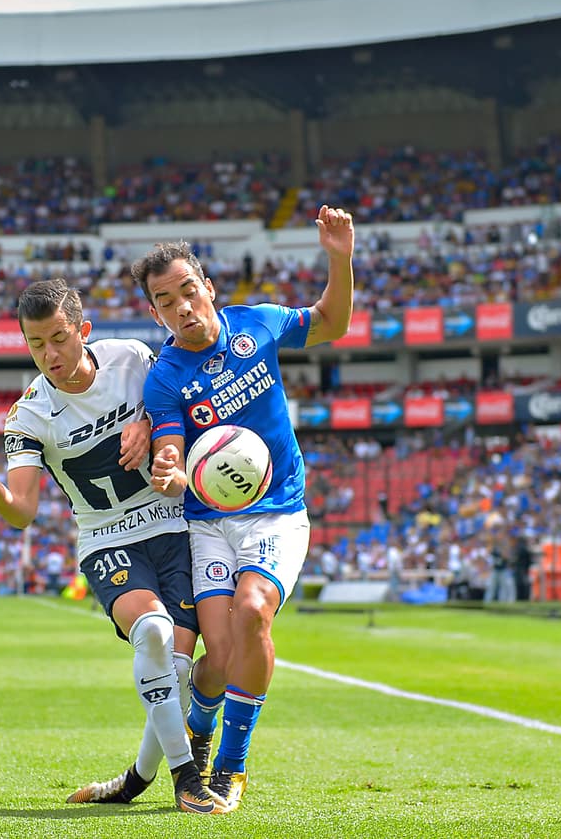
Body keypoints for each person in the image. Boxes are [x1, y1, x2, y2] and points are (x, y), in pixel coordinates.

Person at [0, 279, 224, 815]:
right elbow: (23, 512)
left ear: (83, 331)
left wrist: (149, 422)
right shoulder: (28, 415)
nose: (50, 355)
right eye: (36, 344)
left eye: (59, 338)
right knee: (152, 630)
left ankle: (134, 781)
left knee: (177, 669)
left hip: (174, 522)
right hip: (108, 537)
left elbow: (173, 403)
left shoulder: (133, 358)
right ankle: (187, 778)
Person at [130, 204, 355, 812]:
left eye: (188, 290)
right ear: (154, 312)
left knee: (254, 611)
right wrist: (169, 467)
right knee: (219, 660)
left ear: (208, 288)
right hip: (208, 526)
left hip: (277, 512)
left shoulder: (258, 323)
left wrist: (339, 258)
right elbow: (171, 445)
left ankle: (229, 768)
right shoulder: (166, 375)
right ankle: (200, 735)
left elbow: (332, 322)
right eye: (165, 300)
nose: (181, 306)